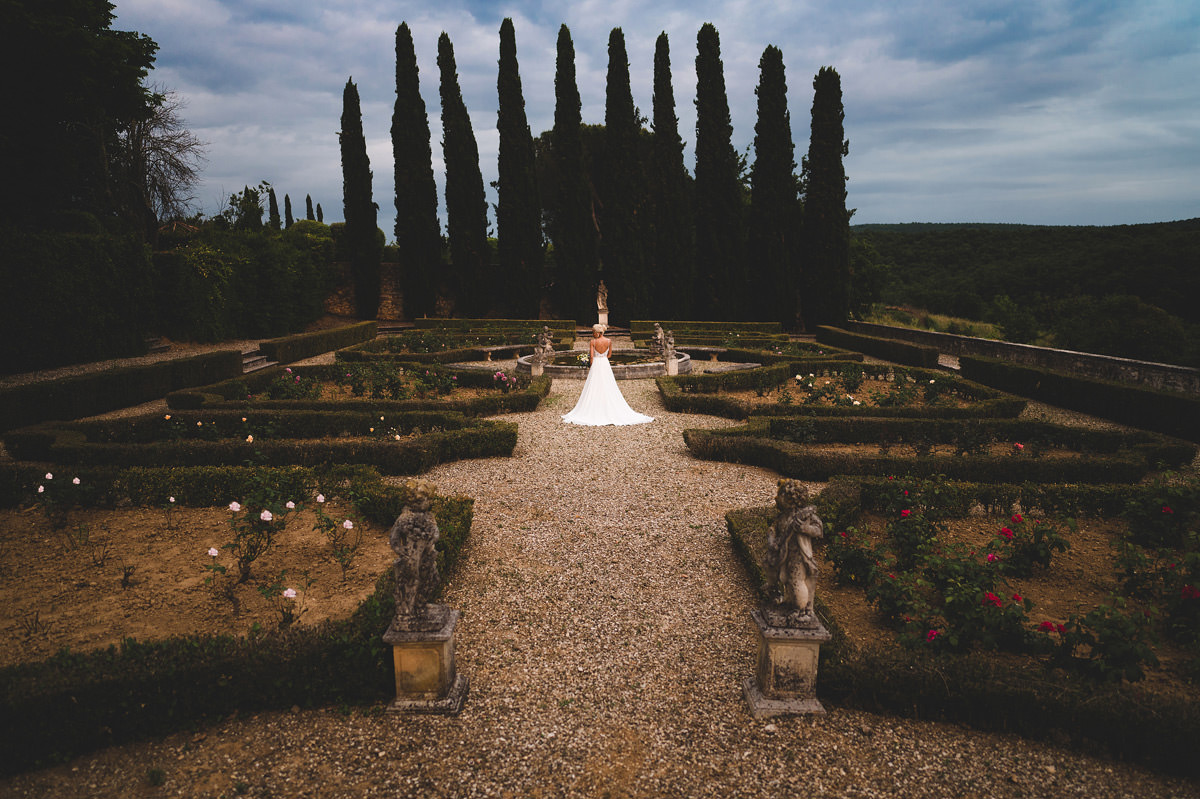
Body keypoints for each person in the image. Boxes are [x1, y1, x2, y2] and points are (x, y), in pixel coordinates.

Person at [562, 324, 654, 426]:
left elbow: (592, 357)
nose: (592, 334)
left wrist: (590, 364)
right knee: (608, 384)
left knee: (594, 385)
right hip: (605, 363)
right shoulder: (609, 341)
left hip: (596, 364)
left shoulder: (593, 342)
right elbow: (609, 355)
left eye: (593, 332)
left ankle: (594, 405)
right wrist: (603, 356)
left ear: (597, 333)